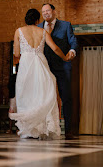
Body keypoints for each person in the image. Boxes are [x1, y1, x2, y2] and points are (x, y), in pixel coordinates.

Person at [9, 8, 69, 140]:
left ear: (26, 18)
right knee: (41, 94)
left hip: (26, 64)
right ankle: (42, 129)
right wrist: (64, 57)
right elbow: (54, 48)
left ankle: (29, 130)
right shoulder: (43, 31)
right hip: (41, 64)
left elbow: (16, 54)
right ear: (37, 20)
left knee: (26, 94)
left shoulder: (18, 31)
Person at [38, 3, 78, 139]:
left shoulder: (66, 25)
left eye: (48, 11)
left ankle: (69, 130)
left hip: (62, 67)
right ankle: (43, 129)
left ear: (54, 11)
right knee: (43, 98)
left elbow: (73, 41)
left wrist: (72, 51)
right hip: (44, 67)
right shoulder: (38, 28)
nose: (45, 14)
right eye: (43, 12)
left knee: (66, 97)